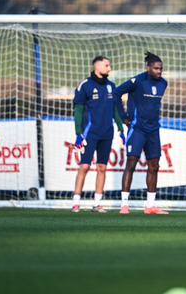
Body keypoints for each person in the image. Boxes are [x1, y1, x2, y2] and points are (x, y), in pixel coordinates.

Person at [71, 55, 126, 213]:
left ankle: (97, 203)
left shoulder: (111, 85)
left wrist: (121, 129)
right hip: (90, 133)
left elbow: (115, 109)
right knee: (85, 166)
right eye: (107, 65)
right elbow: (78, 111)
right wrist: (78, 134)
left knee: (102, 167)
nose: (109, 68)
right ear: (97, 67)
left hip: (107, 133)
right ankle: (76, 202)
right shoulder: (85, 85)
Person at [116, 52, 169, 214]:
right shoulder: (137, 81)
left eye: (161, 68)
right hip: (137, 129)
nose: (159, 71)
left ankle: (150, 205)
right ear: (148, 68)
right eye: (155, 68)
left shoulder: (163, 83)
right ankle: (124, 204)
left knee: (154, 165)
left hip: (154, 130)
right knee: (131, 163)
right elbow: (117, 93)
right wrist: (124, 117)